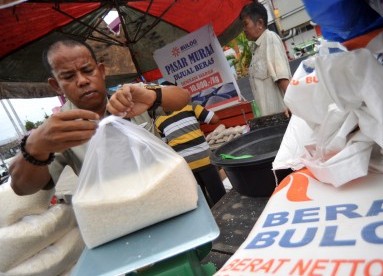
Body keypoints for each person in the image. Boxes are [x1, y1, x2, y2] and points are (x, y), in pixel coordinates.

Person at [10, 39, 190, 196]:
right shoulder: (59, 129)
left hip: (169, 193)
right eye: (68, 76)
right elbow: (22, 188)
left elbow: (183, 97)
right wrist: (35, 146)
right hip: (117, 216)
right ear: (56, 85)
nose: (82, 80)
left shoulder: (130, 95)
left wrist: (152, 97)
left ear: (102, 71)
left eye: (87, 70)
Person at [155, 103, 226, 207]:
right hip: (204, 160)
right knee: (219, 197)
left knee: (200, 200)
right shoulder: (192, 107)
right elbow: (215, 119)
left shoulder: (158, 122)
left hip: (186, 167)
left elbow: (166, 144)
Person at [240, 1, 292, 117]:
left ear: (260, 23)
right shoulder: (256, 48)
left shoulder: (270, 38)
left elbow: (281, 76)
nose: (244, 29)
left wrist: (293, 105)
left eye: (245, 24)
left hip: (282, 118)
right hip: (269, 120)